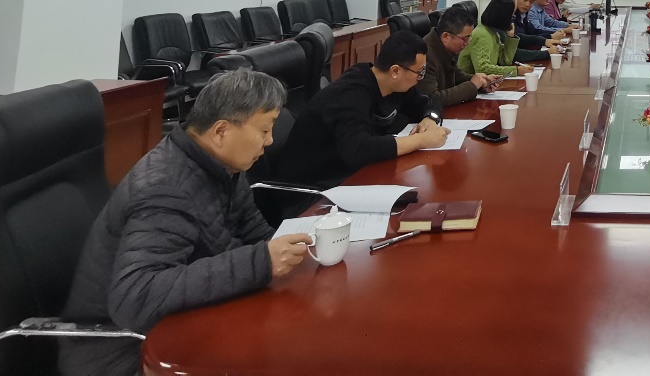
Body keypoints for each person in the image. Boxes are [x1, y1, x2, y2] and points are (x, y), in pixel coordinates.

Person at [60, 70, 311, 376]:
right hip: (121, 351)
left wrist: (297, 255)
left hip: (182, 320)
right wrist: (261, 261)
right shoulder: (166, 188)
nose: (270, 141)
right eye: (264, 130)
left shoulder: (222, 165)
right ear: (221, 131)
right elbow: (136, 297)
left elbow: (254, 232)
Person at [278, 31, 450, 186]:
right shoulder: (352, 94)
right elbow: (358, 149)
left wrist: (430, 119)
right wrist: (421, 140)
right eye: (419, 73)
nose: (420, 79)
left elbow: (429, 102)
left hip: (348, 175)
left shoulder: (394, 86)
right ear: (395, 71)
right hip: (311, 188)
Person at [420, 5, 502, 106]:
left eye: (469, 38)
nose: (467, 43)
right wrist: (472, 86)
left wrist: (481, 82)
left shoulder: (442, 47)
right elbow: (433, 99)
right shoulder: (424, 55)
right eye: (464, 38)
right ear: (446, 36)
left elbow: (457, 76)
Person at [462, 0, 535, 78]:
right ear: (502, 16)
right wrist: (516, 71)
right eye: (511, 16)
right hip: (468, 82)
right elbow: (482, 69)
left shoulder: (494, 33)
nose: (512, 19)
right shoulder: (481, 34)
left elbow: (504, 61)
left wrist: (510, 37)